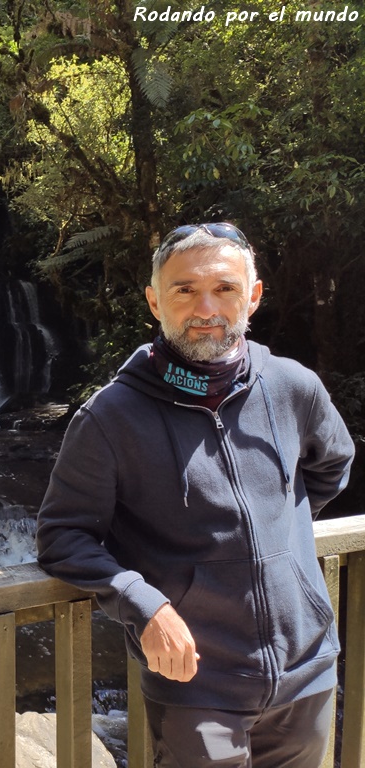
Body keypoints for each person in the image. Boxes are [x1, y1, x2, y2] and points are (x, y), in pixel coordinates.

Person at [35, 222, 355, 768]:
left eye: (225, 288)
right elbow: (64, 535)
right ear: (155, 302)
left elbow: (333, 466)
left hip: (307, 670)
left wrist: (280, 544)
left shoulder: (294, 385)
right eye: (185, 289)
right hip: (195, 684)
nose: (206, 306)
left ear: (252, 298)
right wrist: (145, 603)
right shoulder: (111, 417)